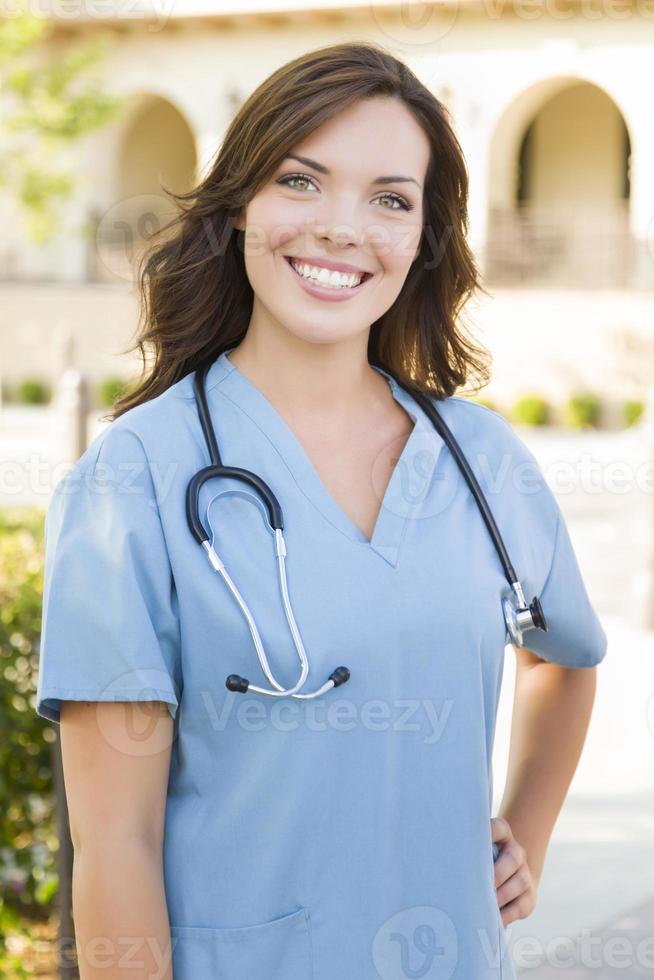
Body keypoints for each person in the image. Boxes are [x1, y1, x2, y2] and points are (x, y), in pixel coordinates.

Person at [35, 41, 607, 980]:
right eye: (302, 181)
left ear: (423, 237)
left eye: (390, 198)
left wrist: (527, 835)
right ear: (239, 210)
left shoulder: (482, 460)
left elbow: (563, 658)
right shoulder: (134, 478)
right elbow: (115, 846)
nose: (344, 228)